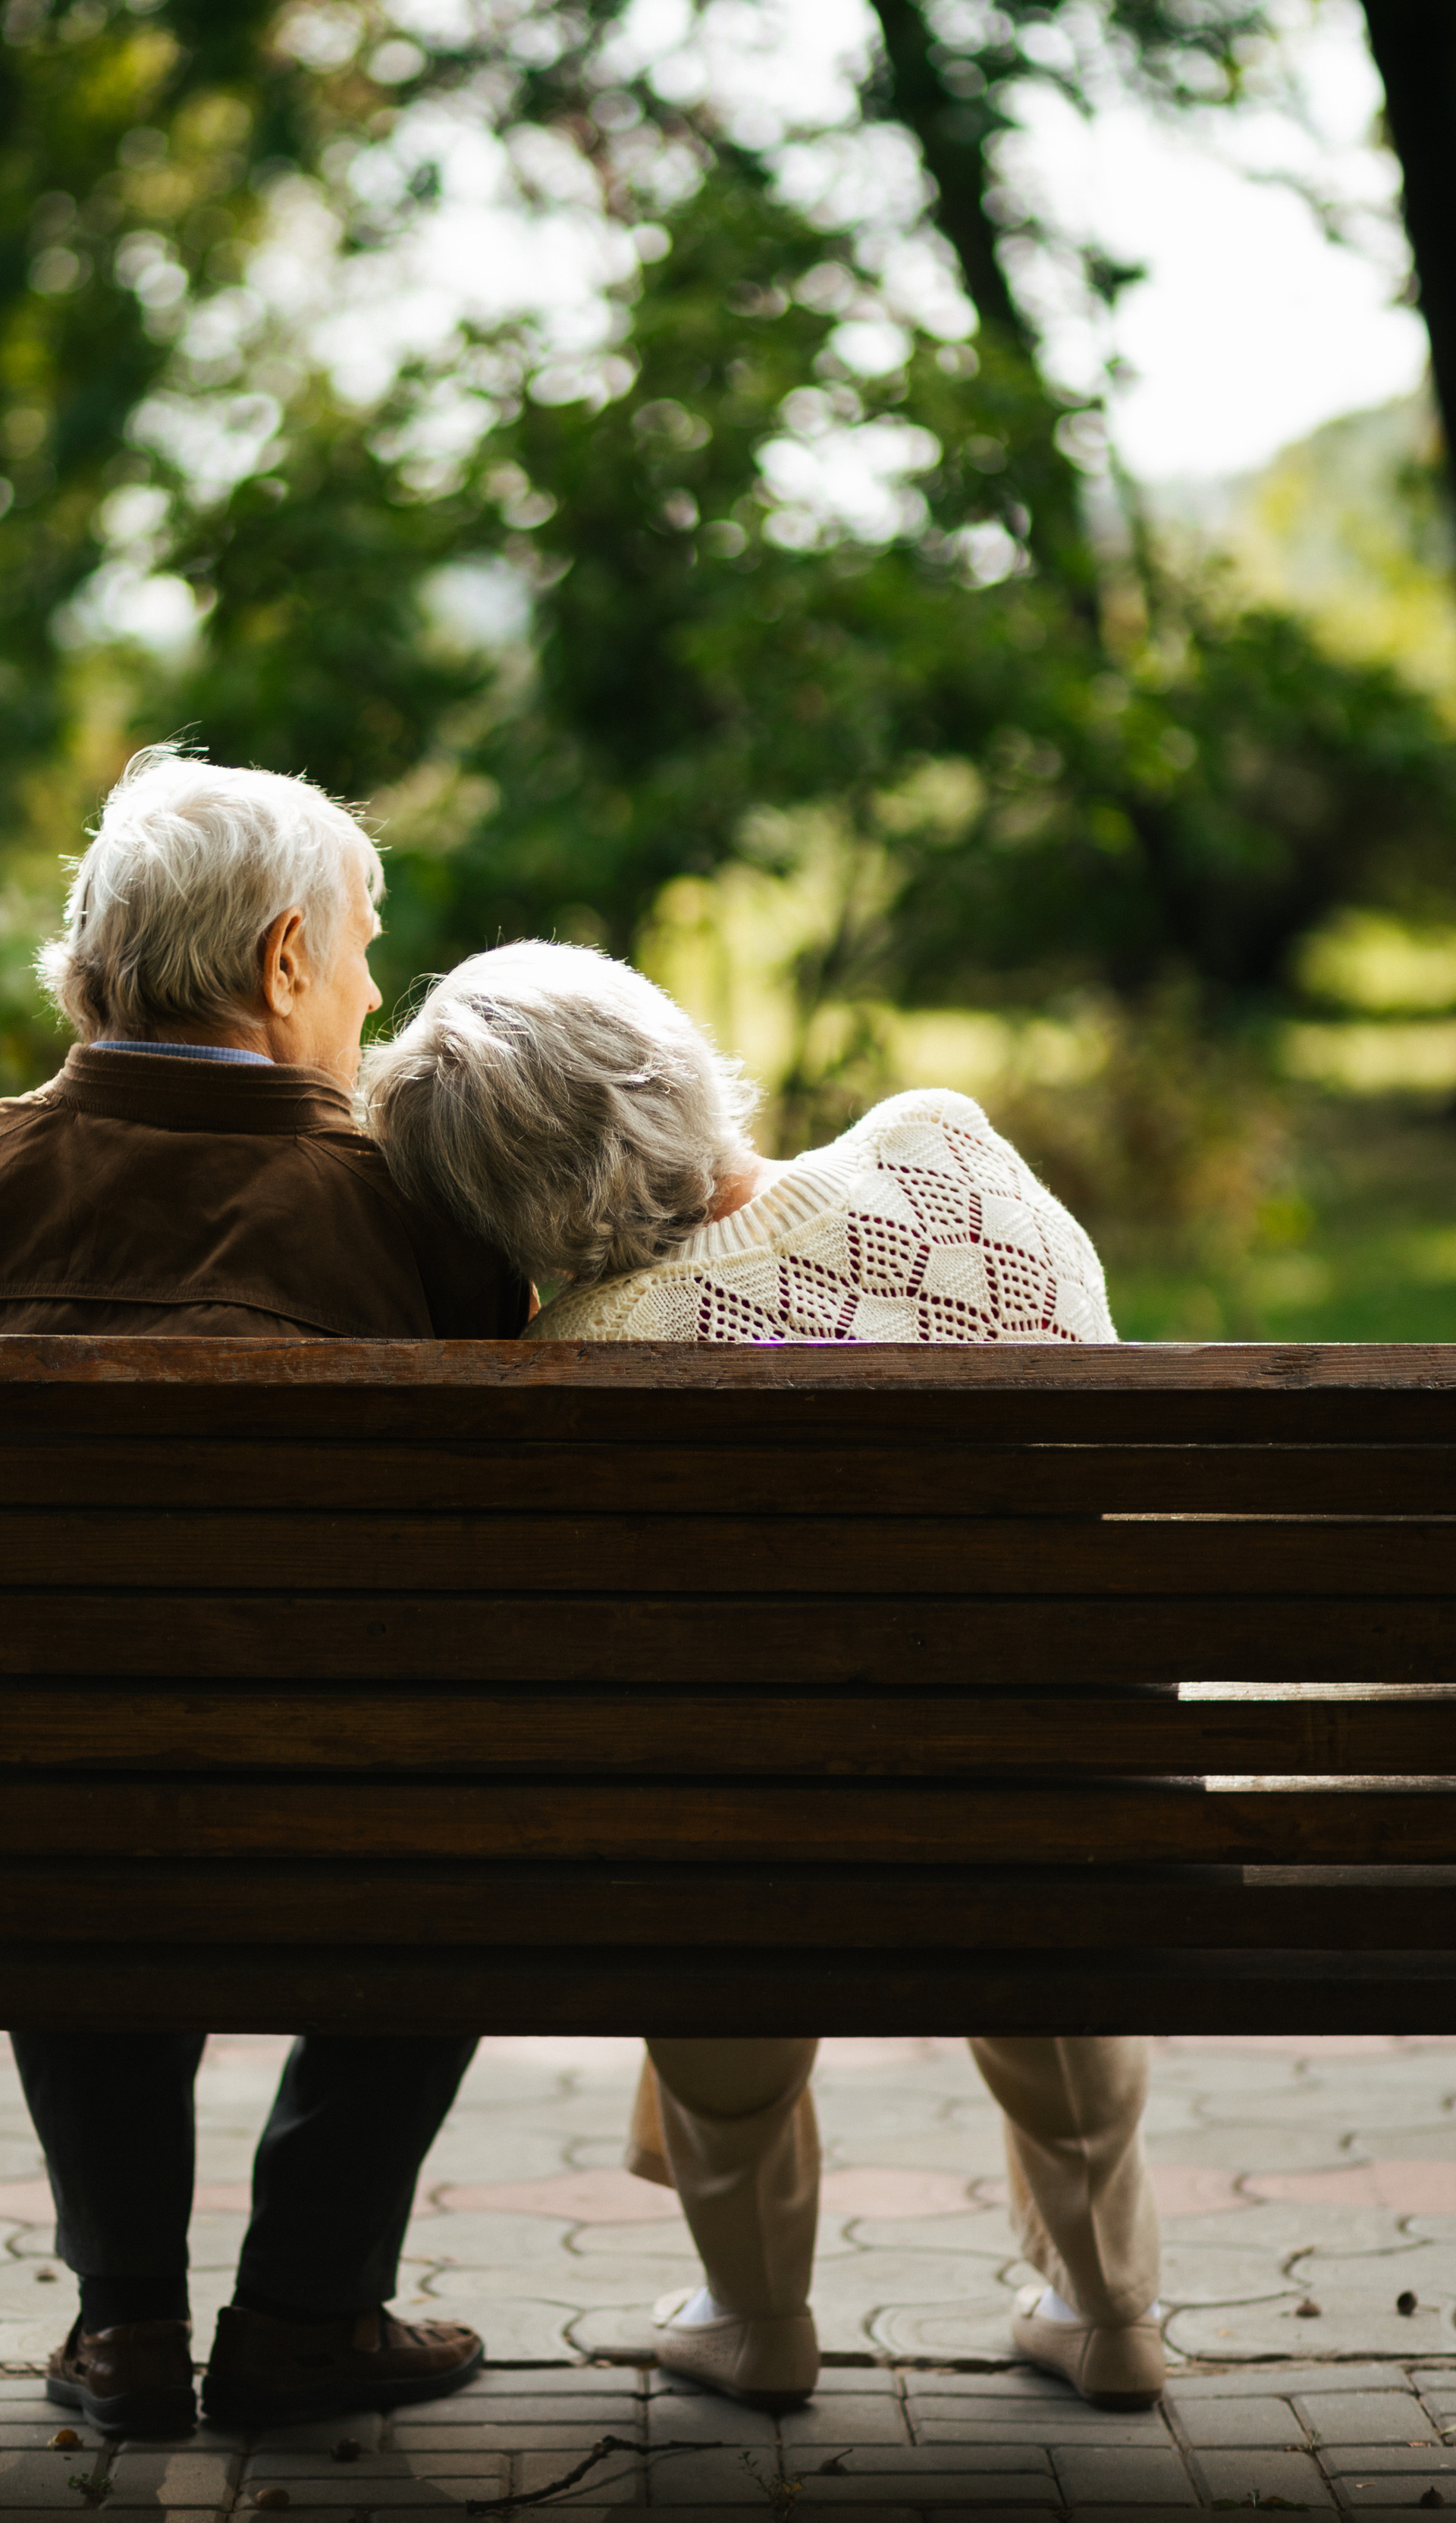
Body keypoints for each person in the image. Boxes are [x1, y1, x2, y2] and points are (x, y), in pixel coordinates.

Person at [0, 748, 532, 2439]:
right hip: (343, 1835)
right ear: (285, 961)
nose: (373, 990)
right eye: (364, 945)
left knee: (54, 1737)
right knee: (471, 1808)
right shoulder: (415, 1221)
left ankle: (128, 2323)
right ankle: (304, 2310)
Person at [360, 939, 1165, 2415]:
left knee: (696, 1838)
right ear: (667, 1054)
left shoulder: (581, 1360)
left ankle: (754, 2315)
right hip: (1065, 1804)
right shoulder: (940, 1153)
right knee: (1024, 1803)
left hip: (759, 1859)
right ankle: (1106, 2309)